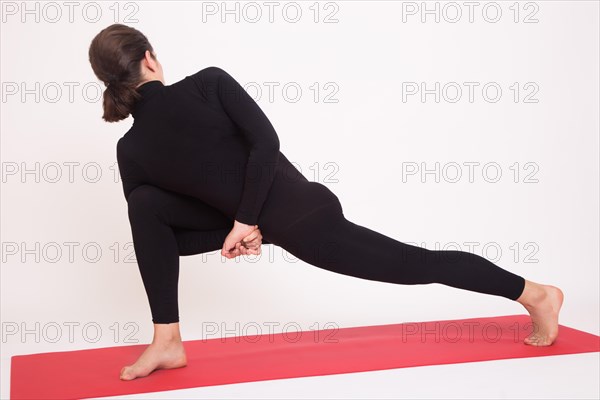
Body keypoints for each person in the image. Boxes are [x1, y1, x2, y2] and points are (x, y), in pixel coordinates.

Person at [88, 24, 564, 381]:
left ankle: (536, 293)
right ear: (150, 60)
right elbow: (161, 236)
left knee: (414, 263)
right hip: (271, 222)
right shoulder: (199, 90)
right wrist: (245, 229)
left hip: (305, 217)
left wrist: (245, 223)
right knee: (147, 203)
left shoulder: (140, 142)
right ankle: (167, 338)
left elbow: (264, 148)